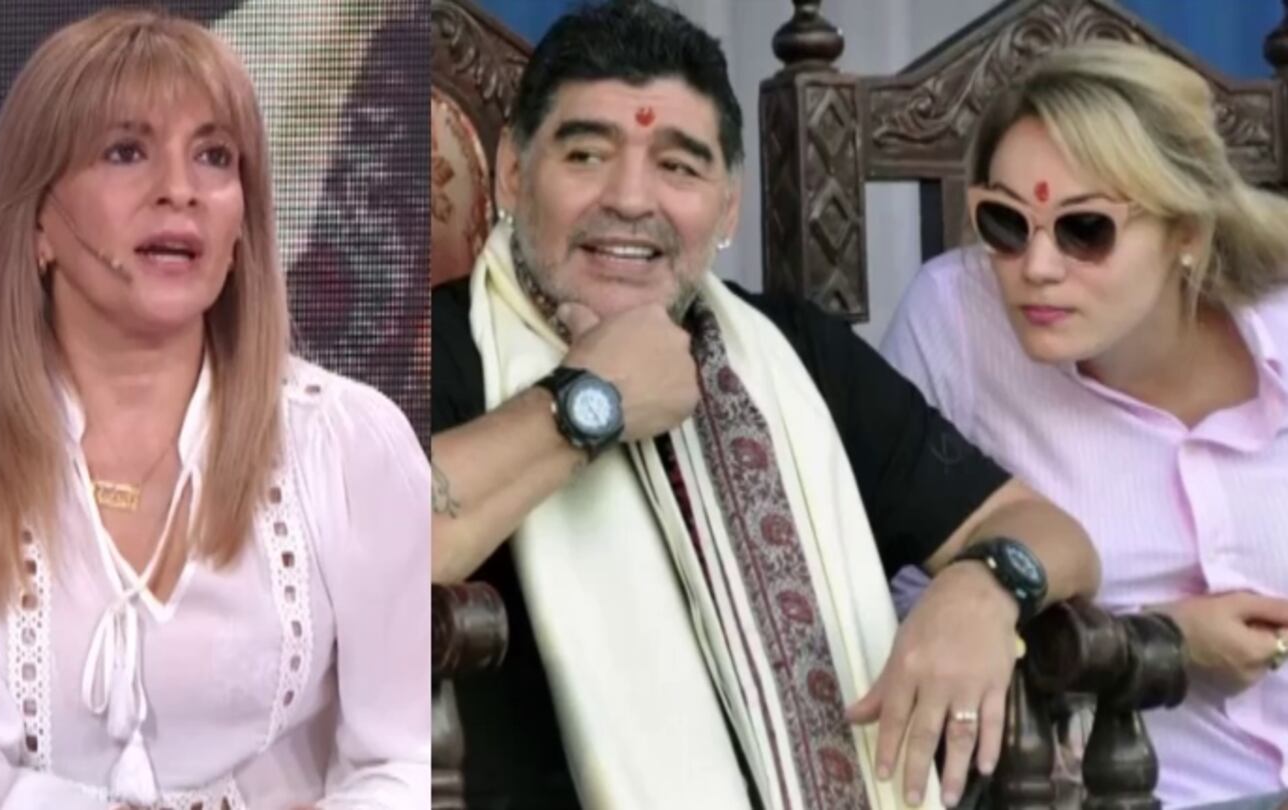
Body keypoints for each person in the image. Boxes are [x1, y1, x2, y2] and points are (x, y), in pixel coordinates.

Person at [430, 2, 1101, 808]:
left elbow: (1049, 532)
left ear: (728, 206)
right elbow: (374, 552)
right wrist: (591, 401)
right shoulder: (434, 348)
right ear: (513, 172)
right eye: (586, 155)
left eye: (680, 167)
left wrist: (986, 585)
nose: (632, 198)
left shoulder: (793, 354)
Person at [0, 9, 427, 809]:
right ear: (38, 219)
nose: (179, 190)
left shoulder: (353, 444)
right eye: (126, 151)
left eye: (214, 157)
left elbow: (404, 765)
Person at [882, 42, 1288, 809]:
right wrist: (1152, 643)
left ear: (1186, 232)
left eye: (1085, 230)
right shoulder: (956, 322)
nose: (1036, 266)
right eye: (1005, 223)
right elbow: (895, 615)